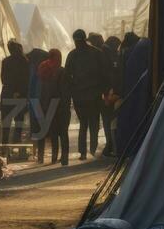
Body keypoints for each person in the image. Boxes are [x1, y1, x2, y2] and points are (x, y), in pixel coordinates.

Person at [65, 29, 107, 160]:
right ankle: (92, 149)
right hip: (94, 95)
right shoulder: (97, 53)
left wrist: (72, 90)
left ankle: (83, 152)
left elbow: (67, 76)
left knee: (83, 124)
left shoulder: (72, 55)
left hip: (79, 96)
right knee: (94, 123)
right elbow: (104, 74)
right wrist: (103, 91)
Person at [38, 48, 72, 166]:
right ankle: (64, 159)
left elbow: (42, 90)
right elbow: (66, 90)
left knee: (53, 133)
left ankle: (53, 158)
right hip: (62, 105)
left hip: (48, 105)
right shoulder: (62, 71)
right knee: (63, 132)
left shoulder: (44, 69)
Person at [0, 40, 31, 157]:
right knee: (18, 125)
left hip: (7, 95)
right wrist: (19, 92)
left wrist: (12, 91)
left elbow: (3, 79)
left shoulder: (5, 62)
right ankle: (18, 151)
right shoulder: (25, 61)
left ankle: (4, 151)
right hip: (20, 97)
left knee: (6, 126)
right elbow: (26, 80)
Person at [26, 47, 49, 162]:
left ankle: (37, 154)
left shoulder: (32, 69)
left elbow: (31, 87)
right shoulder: (46, 69)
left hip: (34, 102)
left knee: (36, 129)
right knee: (41, 129)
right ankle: (39, 154)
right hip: (42, 102)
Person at [101, 35, 123, 158]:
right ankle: (110, 146)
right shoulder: (109, 55)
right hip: (109, 94)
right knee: (110, 122)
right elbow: (109, 75)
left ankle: (109, 146)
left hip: (107, 94)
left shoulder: (104, 53)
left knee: (108, 122)